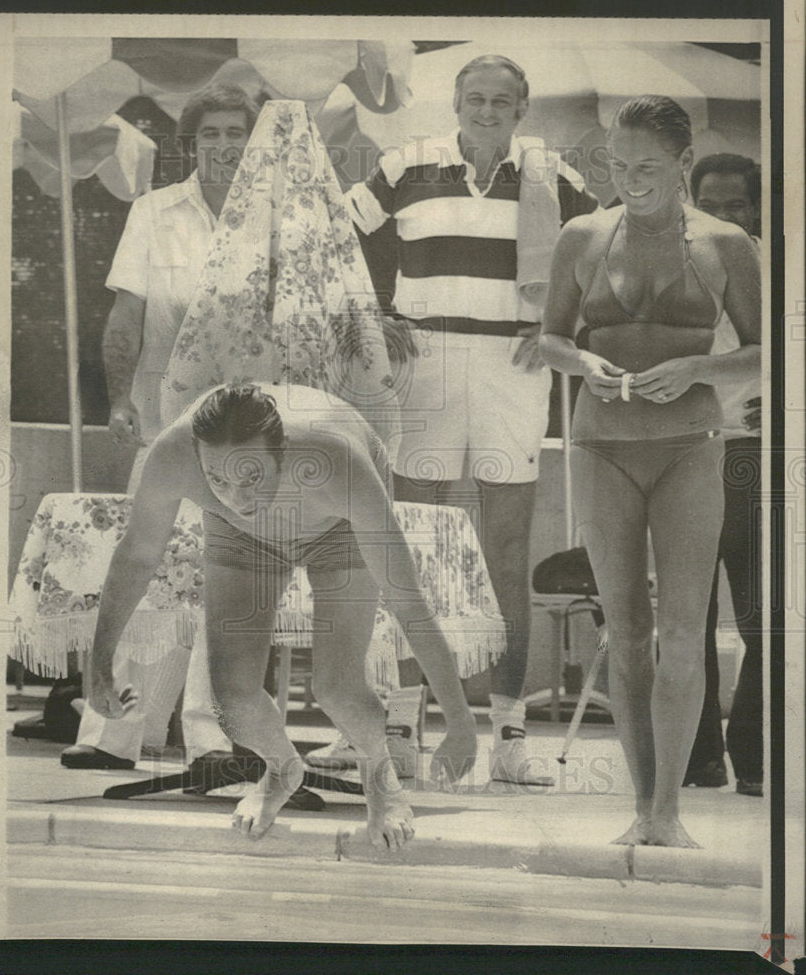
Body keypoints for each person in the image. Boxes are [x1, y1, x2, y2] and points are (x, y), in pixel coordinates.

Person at [343, 54, 598, 785]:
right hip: (423, 360)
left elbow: (604, 255)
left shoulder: (552, 176)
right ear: (456, 103)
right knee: (411, 542)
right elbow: (334, 239)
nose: (487, 111)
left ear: (522, 109)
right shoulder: (406, 165)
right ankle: (402, 726)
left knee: (505, 550)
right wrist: (374, 317)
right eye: (475, 98)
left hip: (513, 366)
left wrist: (560, 325)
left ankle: (509, 739)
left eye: (501, 101)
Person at [88, 382, 478, 849]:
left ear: (284, 452)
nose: (237, 496)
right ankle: (281, 769)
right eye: (218, 480)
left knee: (337, 688)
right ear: (198, 457)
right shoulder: (174, 454)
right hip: (241, 537)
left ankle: (380, 776)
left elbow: (407, 600)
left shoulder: (336, 463)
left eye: (253, 477)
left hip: (337, 528)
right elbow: (137, 555)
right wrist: (99, 664)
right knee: (232, 700)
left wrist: (460, 722)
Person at [539, 96, 760, 847]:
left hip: (690, 444)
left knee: (684, 631)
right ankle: (641, 811)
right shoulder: (581, 235)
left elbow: (766, 352)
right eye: (617, 165)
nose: (628, 180)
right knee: (628, 632)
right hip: (601, 445)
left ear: (683, 163)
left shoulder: (726, 243)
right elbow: (549, 338)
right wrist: (582, 360)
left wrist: (699, 367)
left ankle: (670, 810)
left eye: (646, 168)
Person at [62, 86, 259, 770]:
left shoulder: (277, 220)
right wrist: (119, 399)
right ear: (191, 144)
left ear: (254, 143)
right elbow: (126, 317)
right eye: (211, 135)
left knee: (225, 576)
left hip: (247, 430)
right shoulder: (152, 211)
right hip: (163, 421)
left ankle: (211, 737)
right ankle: (116, 733)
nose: (225, 146)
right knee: (147, 567)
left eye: (236, 133)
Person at [683, 154, 763, 796]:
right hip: (686, 450)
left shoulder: (779, 268)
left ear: (757, 208)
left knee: (764, 615)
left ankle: (757, 756)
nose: (723, 216)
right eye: (709, 204)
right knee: (689, 615)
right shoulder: (673, 265)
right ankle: (699, 755)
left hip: (756, 455)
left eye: (736, 204)